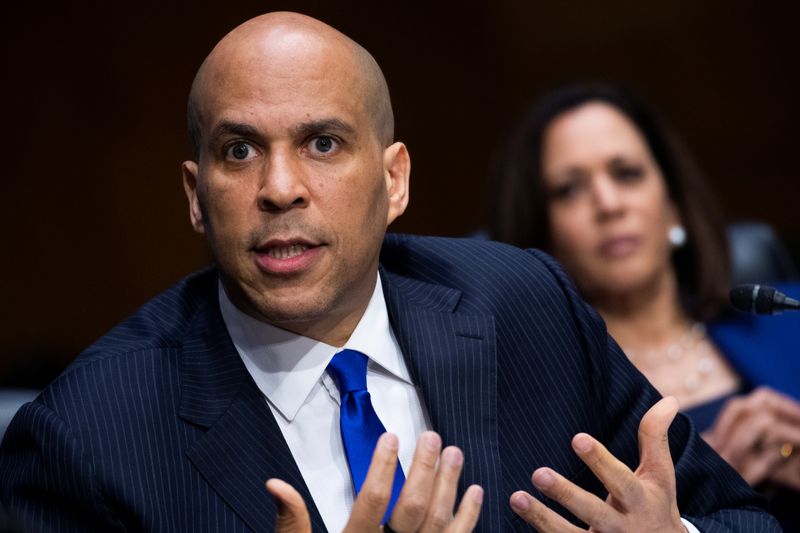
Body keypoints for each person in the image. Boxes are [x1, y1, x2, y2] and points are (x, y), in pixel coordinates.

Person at [0, 13, 780, 533]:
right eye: (239, 150)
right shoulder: (85, 439)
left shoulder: (525, 305)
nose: (279, 188)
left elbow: (743, 518)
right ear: (195, 196)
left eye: (324, 143)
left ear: (395, 181)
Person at [488, 82, 800, 531]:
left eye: (627, 173)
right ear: (542, 234)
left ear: (674, 205)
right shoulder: (539, 396)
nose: (608, 204)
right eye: (570, 189)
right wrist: (710, 485)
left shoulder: (787, 321)